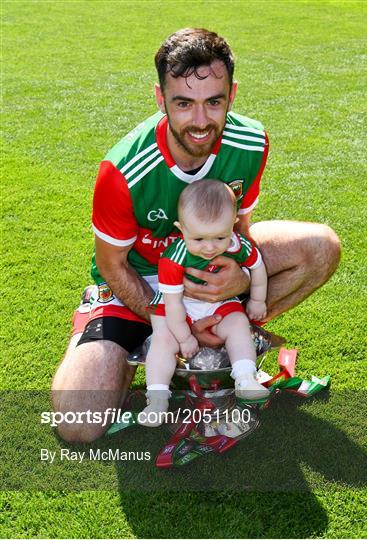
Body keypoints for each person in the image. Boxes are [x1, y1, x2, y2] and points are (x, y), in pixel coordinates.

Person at [52, 28, 341, 442]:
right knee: (78, 425)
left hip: (209, 271)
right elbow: (109, 263)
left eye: (214, 102)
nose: (201, 121)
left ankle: (219, 345)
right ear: (160, 99)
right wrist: (166, 316)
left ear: (232, 95)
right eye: (184, 104)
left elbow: (240, 230)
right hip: (137, 286)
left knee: (321, 247)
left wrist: (240, 281)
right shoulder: (122, 171)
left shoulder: (251, 142)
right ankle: (142, 345)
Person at [138, 180, 269, 427]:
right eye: (198, 239)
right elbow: (173, 304)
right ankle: (156, 399)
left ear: (232, 225)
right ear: (181, 229)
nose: (210, 248)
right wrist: (184, 337)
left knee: (238, 322)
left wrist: (258, 298)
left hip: (217, 302)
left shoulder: (237, 244)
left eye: (219, 237)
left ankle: (245, 377)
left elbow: (257, 265)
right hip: (177, 306)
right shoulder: (174, 258)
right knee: (163, 340)